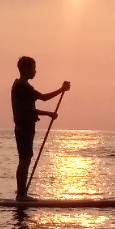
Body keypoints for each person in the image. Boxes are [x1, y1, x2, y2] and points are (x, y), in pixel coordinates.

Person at [12, 56, 69, 200]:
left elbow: (29, 109)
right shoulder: (22, 86)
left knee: (26, 158)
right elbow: (43, 97)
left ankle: (21, 193)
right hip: (23, 128)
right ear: (25, 69)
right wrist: (61, 89)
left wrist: (48, 114)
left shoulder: (21, 86)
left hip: (25, 126)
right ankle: (21, 194)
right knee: (25, 159)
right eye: (33, 68)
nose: (35, 71)